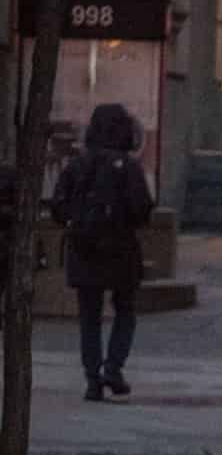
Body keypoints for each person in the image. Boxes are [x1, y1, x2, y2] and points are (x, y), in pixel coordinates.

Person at [50, 104, 155, 402]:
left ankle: (92, 378)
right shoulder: (128, 166)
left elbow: (58, 206)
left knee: (89, 317)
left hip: (83, 249)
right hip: (121, 249)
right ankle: (113, 367)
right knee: (125, 310)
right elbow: (142, 209)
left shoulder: (77, 165)